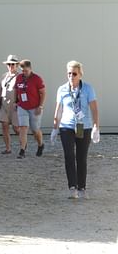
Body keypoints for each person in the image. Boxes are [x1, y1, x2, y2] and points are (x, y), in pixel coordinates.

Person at [51, 61, 100, 199]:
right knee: (69, 156)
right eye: (69, 73)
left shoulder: (88, 89)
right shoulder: (62, 89)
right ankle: (72, 187)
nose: (71, 76)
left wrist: (96, 126)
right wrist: (55, 128)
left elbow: (94, 109)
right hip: (67, 127)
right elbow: (58, 109)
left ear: (80, 74)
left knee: (81, 157)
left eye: (74, 74)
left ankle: (82, 187)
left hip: (84, 127)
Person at [14, 59, 46, 159]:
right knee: (23, 127)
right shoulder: (19, 77)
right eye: (22, 71)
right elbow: (16, 89)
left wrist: (40, 106)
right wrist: (15, 101)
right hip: (22, 106)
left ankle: (41, 144)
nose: (24, 73)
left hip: (35, 107)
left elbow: (43, 93)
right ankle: (22, 150)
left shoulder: (37, 78)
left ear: (30, 69)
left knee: (35, 130)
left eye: (26, 71)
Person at [0, 54, 20, 154]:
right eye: (9, 64)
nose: (11, 66)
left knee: (16, 128)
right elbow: (0, 90)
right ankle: (8, 148)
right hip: (4, 104)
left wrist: (20, 103)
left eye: (13, 64)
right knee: (4, 126)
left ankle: (23, 144)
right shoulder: (4, 76)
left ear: (17, 65)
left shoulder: (20, 77)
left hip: (15, 105)